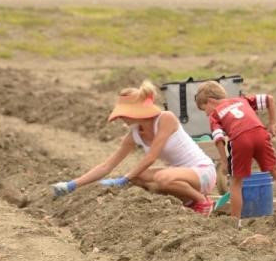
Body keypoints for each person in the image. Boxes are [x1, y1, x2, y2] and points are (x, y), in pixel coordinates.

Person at [50, 81, 216, 215]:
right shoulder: (134, 135)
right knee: (139, 177)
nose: (121, 117)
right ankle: (186, 201)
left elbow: (151, 157)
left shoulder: (166, 119)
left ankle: (202, 201)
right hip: (181, 174)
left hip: (202, 172)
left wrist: (125, 179)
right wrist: (72, 185)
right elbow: (107, 166)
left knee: (160, 178)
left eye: (124, 113)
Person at [194, 81, 276, 222]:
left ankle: (235, 221)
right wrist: (272, 123)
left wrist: (224, 162)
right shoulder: (242, 100)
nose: (206, 114)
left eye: (204, 109)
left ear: (211, 101)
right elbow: (269, 99)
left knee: (236, 182)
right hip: (260, 134)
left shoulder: (215, 115)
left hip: (239, 139)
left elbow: (219, 139)